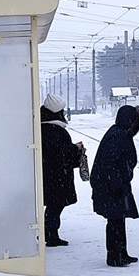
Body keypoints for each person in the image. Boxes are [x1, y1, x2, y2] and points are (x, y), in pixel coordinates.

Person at [91, 104, 139, 267]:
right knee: (115, 220)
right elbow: (109, 163)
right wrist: (116, 185)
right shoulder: (119, 135)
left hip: (113, 183)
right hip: (111, 185)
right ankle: (114, 256)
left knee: (118, 219)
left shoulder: (119, 133)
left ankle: (121, 252)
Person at [40, 94, 82, 247]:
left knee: (54, 205)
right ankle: (50, 234)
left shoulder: (44, 126)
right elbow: (59, 152)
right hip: (56, 175)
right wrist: (75, 148)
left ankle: (50, 233)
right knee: (55, 205)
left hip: (51, 173)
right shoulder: (53, 129)